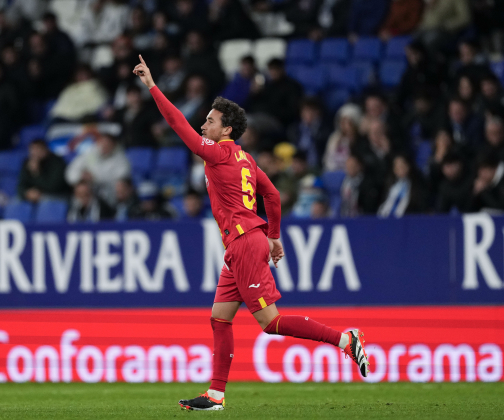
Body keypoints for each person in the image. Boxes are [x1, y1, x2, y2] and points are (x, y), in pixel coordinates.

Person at [133, 54, 369, 411]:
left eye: (210, 121)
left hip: (243, 242)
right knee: (219, 317)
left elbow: (176, 123)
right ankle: (215, 394)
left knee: (270, 323)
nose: (202, 125)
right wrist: (273, 236)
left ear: (225, 130)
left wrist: (152, 86)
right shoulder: (246, 159)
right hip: (246, 241)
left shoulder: (219, 154)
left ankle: (345, 340)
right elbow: (271, 195)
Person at [65, 133, 131, 204]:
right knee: (81, 188)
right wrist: (81, 176)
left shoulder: (121, 159)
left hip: (109, 192)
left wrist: (94, 177)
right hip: (90, 189)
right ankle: (80, 211)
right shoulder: (89, 153)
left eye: (107, 145)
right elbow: (71, 171)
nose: (104, 146)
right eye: (102, 143)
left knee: (120, 187)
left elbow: (120, 178)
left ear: (114, 145)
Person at [18, 139, 70, 204]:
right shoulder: (27, 162)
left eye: (38, 149)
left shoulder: (57, 162)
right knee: (17, 201)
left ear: (45, 149)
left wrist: (36, 173)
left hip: (58, 195)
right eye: (32, 150)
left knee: (45, 200)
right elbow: (21, 184)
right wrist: (27, 193)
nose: (35, 153)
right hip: (36, 195)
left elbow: (53, 187)